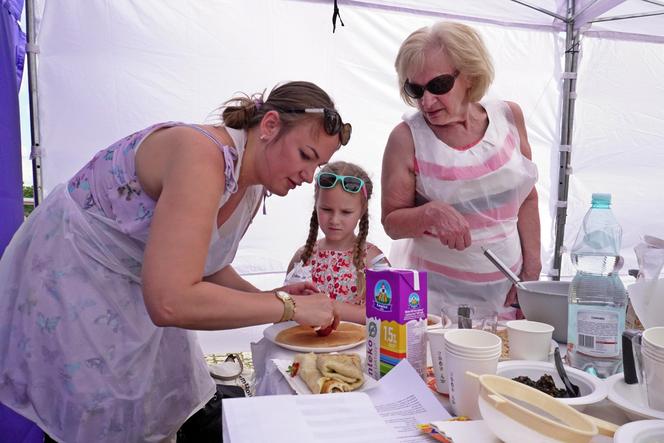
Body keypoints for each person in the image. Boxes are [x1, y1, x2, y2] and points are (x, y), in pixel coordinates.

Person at [0, 81, 352, 442]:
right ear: (270, 126)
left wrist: (269, 295)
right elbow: (170, 302)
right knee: (99, 413)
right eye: (305, 155)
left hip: (135, 284)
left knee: (167, 394)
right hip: (75, 276)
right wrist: (288, 307)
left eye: (319, 164)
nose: (310, 176)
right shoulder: (201, 157)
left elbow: (204, 261)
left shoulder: (252, 182)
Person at [381, 21, 541, 320]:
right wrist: (428, 214)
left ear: (469, 74)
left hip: (506, 297)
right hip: (433, 307)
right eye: (415, 89)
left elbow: (527, 198)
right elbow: (392, 221)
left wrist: (531, 269)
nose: (426, 101)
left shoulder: (508, 117)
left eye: (438, 85)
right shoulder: (407, 138)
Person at [285, 161, 389, 324]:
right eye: (326, 209)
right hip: (306, 347)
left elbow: (387, 313)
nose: (335, 220)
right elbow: (286, 308)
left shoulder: (374, 260)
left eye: (346, 212)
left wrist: (326, 306)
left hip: (358, 347)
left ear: (362, 210)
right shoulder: (303, 256)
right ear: (316, 205)